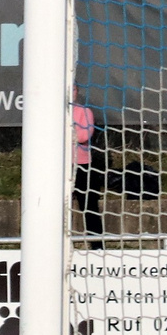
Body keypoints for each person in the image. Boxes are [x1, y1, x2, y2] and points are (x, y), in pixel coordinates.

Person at [72, 89, 103, 244]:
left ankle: (97, 247)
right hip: (59, 168)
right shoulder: (52, 112)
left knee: (89, 208)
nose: (71, 92)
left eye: (73, 89)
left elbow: (84, 136)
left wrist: (66, 131)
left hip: (81, 166)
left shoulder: (84, 112)